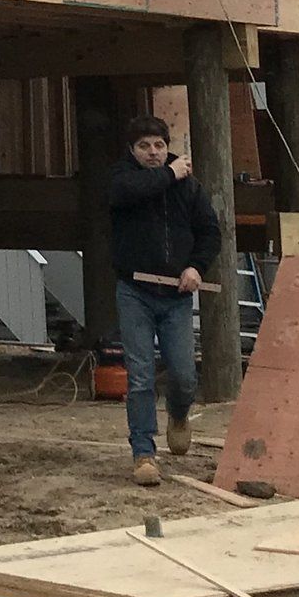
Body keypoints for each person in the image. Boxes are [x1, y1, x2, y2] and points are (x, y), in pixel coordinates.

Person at [108, 114, 220, 485]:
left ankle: (178, 413)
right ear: (132, 150)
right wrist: (171, 174)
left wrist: (196, 267)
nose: (154, 153)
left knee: (185, 375)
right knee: (140, 377)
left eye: (159, 146)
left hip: (175, 294)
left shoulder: (189, 189)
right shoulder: (122, 179)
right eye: (144, 147)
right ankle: (143, 454)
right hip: (134, 291)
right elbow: (129, 193)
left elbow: (209, 232)